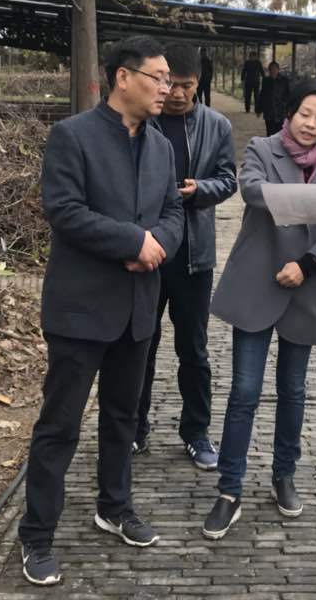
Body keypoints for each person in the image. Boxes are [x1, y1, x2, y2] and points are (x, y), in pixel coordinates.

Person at [17, 36, 185, 587]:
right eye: (158, 77)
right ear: (123, 78)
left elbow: (173, 212)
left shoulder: (160, 146)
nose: (167, 88)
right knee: (60, 425)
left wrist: (157, 243)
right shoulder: (73, 136)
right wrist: (133, 242)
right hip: (82, 309)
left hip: (138, 308)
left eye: (169, 79)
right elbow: (64, 210)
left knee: (122, 418)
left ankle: (115, 506)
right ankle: (37, 535)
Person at [200, 80, 316, 540]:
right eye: (305, 114)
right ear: (290, 112)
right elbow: (251, 191)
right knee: (244, 391)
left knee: (293, 391)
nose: (311, 124)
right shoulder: (262, 150)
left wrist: (306, 266)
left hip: (304, 287)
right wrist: (314, 203)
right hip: (258, 283)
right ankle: (229, 489)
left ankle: (284, 474)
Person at [134, 44, 238, 469]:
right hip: (147, 250)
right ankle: (134, 427)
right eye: (170, 84)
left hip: (194, 255)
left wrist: (201, 190)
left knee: (193, 349)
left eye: (187, 86)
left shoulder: (216, 125)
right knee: (140, 344)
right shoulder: (144, 119)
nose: (177, 94)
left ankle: (196, 431)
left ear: (199, 83)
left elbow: (228, 179)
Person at [258, 61, 290, 136]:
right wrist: (259, 109)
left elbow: (289, 95)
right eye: (271, 69)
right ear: (269, 71)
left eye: (274, 69)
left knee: (280, 133)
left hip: (281, 111)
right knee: (270, 133)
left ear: (278, 70)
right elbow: (262, 95)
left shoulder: (284, 80)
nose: (273, 71)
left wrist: (288, 107)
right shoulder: (266, 81)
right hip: (269, 111)